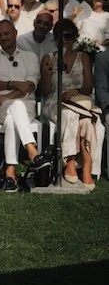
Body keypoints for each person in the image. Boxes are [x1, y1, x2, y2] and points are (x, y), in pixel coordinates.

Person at [0, 20, 50, 193]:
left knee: (14, 114)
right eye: (0, 35)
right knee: (16, 106)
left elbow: (29, 86)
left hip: (23, 105)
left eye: (6, 34)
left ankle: (10, 173)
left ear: (15, 33)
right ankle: (33, 153)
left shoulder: (30, 57)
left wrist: (7, 95)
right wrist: (12, 83)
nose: (3, 38)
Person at [40, 19, 102, 188]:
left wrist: (77, 91)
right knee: (73, 115)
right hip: (54, 100)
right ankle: (74, 161)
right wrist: (46, 74)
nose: (67, 40)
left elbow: (88, 87)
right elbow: (45, 92)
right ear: (56, 37)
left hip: (78, 99)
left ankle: (82, 164)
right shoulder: (48, 58)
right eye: (63, 36)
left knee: (83, 119)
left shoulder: (84, 57)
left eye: (71, 36)